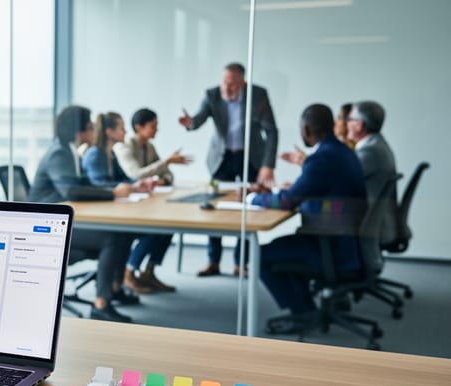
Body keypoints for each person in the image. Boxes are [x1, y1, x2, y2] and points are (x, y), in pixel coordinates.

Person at [29, 105, 154, 323]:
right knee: (111, 237)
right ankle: (100, 305)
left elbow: (85, 184)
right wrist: (113, 193)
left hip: (63, 221)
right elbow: (70, 191)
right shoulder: (59, 153)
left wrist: (124, 190)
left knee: (123, 233)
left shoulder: (71, 151)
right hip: (46, 228)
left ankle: (114, 288)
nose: (94, 129)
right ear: (80, 130)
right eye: (90, 126)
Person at [248, 104, 367, 332]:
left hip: (330, 247)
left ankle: (303, 312)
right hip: (344, 242)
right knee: (282, 247)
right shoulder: (343, 152)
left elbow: (287, 202)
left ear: (306, 129)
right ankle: (305, 307)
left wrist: (253, 199)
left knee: (260, 255)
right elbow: (309, 190)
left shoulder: (322, 159)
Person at [179, 62, 279, 277]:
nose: (227, 87)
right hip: (222, 158)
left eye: (232, 84)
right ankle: (212, 260)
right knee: (212, 205)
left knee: (248, 207)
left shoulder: (258, 95)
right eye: (224, 82)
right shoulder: (212, 94)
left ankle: (240, 263)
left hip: (250, 157)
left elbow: (271, 130)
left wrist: (268, 165)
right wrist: (189, 123)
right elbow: (198, 118)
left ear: (243, 83)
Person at [83, 112, 176, 293]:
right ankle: (123, 279)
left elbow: (124, 178)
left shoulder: (110, 154)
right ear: (109, 132)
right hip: (99, 216)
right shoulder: (96, 154)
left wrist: (138, 184)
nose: (126, 132)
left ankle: (128, 280)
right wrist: (126, 187)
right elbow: (99, 185)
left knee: (164, 227)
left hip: (113, 210)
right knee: (145, 230)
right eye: (122, 128)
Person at [346, 100, 399, 245]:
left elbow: (341, 180)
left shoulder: (370, 152)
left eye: (349, 119)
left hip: (371, 227)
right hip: (376, 222)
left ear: (360, 125)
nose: (346, 123)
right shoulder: (376, 144)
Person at [114, 108, 193, 185]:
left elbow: (168, 174)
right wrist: (167, 161)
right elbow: (136, 175)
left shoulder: (150, 147)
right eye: (153, 126)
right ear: (138, 127)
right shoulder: (125, 147)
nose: (156, 129)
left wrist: (162, 181)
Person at [281, 102, 355, 168]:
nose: (335, 122)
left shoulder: (341, 151)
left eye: (339, 118)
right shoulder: (340, 149)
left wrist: (307, 162)